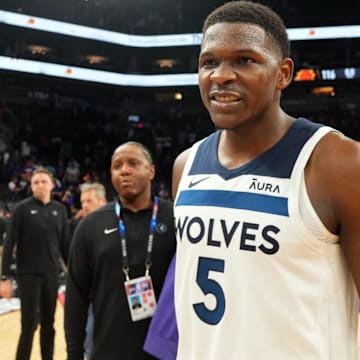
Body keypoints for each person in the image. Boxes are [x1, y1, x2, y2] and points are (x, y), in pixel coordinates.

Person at [146, 1, 360, 359]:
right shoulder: (186, 165)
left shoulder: (337, 163)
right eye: (209, 62)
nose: (221, 75)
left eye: (244, 60)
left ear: (284, 73)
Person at [64, 141, 176, 359]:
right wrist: (74, 353)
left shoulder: (176, 218)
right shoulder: (90, 226)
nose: (124, 170)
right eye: (117, 166)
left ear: (151, 171)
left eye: (133, 163)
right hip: (108, 351)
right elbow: (76, 295)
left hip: (166, 352)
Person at [0, 168, 70, 360]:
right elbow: (9, 244)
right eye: (35, 182)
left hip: (51, 275)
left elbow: (65, 246)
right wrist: (4, 277)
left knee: (49, 325)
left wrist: (74, 273)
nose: (39, 185)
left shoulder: (60, 210)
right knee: (29, 326)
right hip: (28, 275)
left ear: (52, 184)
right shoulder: (22, 209)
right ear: (31, 186)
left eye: (43, 181)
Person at [70, 182, 107, 360]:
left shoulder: (116, 225)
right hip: (90, 299)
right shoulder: (81, 229)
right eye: (82, 202)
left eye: (89, 201)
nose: (84, 205)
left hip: (111, 300)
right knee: (89, 347)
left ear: (102, 202)